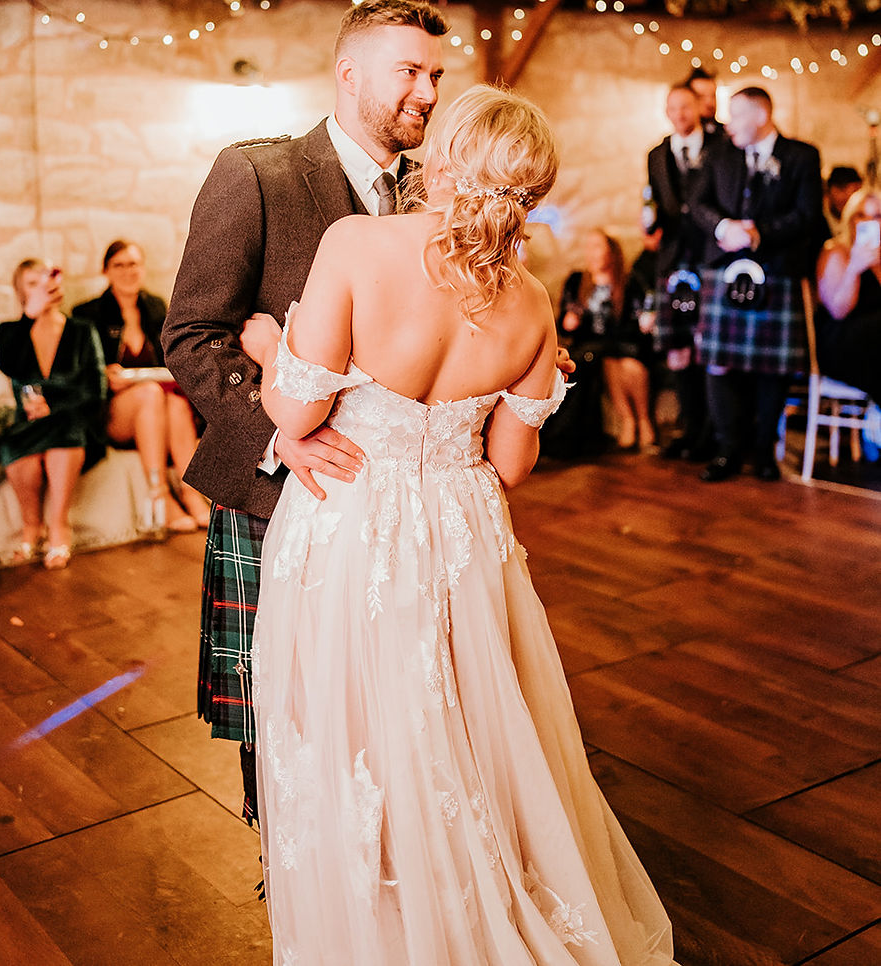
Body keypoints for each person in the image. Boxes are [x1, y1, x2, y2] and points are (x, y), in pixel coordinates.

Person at [240, 86, 677, 966]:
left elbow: (297, 410)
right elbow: (510, 463)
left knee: (356, 730)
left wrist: (264, 344)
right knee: (468, 726)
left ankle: (389, 925)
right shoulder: (533, 302)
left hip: (355, 518)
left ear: (440, 160)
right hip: (462, 528)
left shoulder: (356, 243)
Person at [162, 0, 450, 824]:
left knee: (391, 699)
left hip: (400, 502)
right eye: (409, 71)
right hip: (284, 489)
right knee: (283, 703)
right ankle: (286, 868)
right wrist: (275, 437)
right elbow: (192, 333)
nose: (428, 93)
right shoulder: (259, 174)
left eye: (436, 74)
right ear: (348, 73)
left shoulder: (435, 193)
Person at [691, 86, 822, 483]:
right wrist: (723, 227)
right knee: (718, 363)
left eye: (737, 115)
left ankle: (764, 452)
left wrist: (759, 232)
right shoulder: (719, 154)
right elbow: (697, 203)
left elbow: (808, 215)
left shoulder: (801, 156)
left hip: (776, 270)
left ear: (762, 115)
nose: (729, 124)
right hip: (723, 268)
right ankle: (728, 451)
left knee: (772, 370)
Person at [72, 241, 208, 533]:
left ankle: (190, 493)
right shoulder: (88, 313)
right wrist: (103, 374)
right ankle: (160, 496)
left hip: (160, 406)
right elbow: (80, 375)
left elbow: (172, 358)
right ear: (106, 271)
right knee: (150, 393)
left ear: (143, 268)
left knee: (174, 401)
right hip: (114, 412)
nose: (128, 271)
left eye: (133, 264)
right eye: (119, 265)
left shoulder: (155, 307)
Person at [0, 260, 106, 569]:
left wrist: (53, 405)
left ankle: (59, 526)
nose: (41, 289)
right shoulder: (9, 332)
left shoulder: (81, 330)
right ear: (20, 292)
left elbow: (96, 391)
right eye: (32, 284)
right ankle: (31, 527)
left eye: (44, 281)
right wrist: (30, 316)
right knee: (15, 445)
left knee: (65, 428)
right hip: (30, 426)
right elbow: (9, 365)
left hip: (73, 424)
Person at [646, 83, 712, 460]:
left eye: (685, 106)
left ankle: (711, 434)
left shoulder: (720, 147)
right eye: (673, 108)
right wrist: (649, 224)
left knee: (708, 348)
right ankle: (689, 429)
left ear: (698, 107)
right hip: (672, 259)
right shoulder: (656, 155)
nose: (679, 114)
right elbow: (654, 201)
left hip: (710, 257)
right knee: (679, 348)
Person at [559, 229, 657, 451]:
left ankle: (641, 420)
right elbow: (564, 323)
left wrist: (646, 320)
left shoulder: (629, 282)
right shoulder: (577, 281)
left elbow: (638, 321)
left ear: (611, 252)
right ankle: (630, 420)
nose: (591, 253)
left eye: (596, 247)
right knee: (610, 361)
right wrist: (569, 321)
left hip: (623, 346)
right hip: (592, 348)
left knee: (628, 363)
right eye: (588, 247)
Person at [816, 185, 881, 400]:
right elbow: (838, 311)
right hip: (843, 343)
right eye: (861, 215)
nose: (869, 222)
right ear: (850, 219)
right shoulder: (836, 251)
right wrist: (855, 267)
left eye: (877, 216)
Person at [822, 165, 863, 240]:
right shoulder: (815, 223)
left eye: (855, 191)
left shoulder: (863, 223)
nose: (848, 198)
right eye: (842, 189)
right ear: (828, 192)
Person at [684, 66, 722, 136]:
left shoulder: (729, 135)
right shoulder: (676, 140)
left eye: (713, 96)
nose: (709, 102)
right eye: (701, 97)